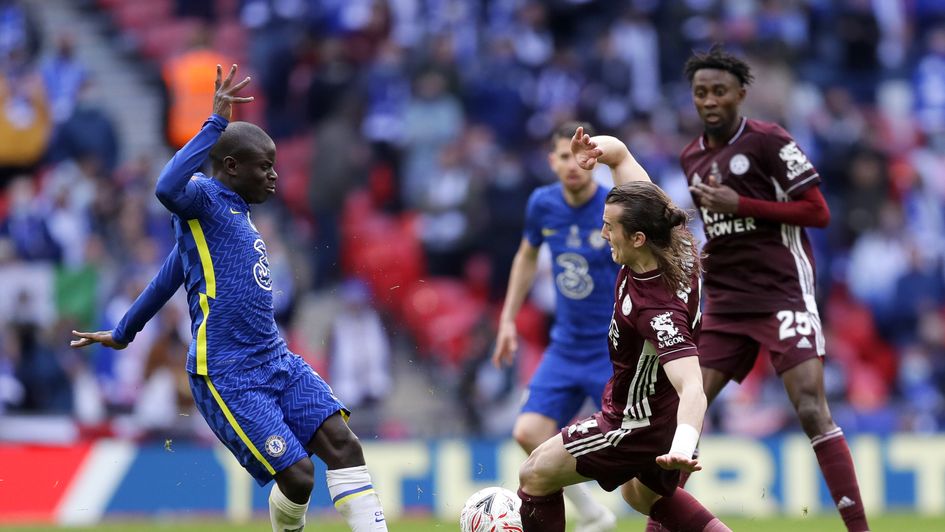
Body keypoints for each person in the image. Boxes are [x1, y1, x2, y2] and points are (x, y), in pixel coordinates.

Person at [71, 64, 388, 532]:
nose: (275, 177)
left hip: (275, 360)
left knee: (345, 444)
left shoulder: (234, 215)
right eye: (265, 167)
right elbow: (165, 187)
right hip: (228, 372)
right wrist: (214, 122)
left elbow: (168, 277)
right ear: (233, 167)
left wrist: (124, 331)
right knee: (299, 478)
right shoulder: (201, 197)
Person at [585, 46, 870, 531]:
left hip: (782, 289)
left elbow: (817, 212)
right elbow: (719, 227)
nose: (710, 100)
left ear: (740, 94)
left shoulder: (769, 141)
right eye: (701, 93)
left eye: (719, 91)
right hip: (728, 300)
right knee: (684, 411)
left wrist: (742, 202)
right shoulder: (692, 157)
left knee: (808, 406)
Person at [516, 176, 731, 532]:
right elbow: (639, 184)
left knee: (535, 473)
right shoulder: (677, 245)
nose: (603, 234)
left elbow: (693, 385)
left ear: (638, 238)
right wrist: (610, 151)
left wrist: (683, 443)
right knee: (640, 495)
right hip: (657, 414)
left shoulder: (657, 310)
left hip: (636, 423)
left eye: (608, 227)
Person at [492, 122, 617, 531]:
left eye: (578, 156)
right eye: (562, 156)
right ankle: (594, 514)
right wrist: (509, 319)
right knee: (528, 432)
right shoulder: (542, 204)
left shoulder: (613, 205)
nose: (572, 165)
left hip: (612, 349)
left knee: (635, 457)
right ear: (551, 161)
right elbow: (526, 257)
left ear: (594, 159)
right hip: (565, 347)